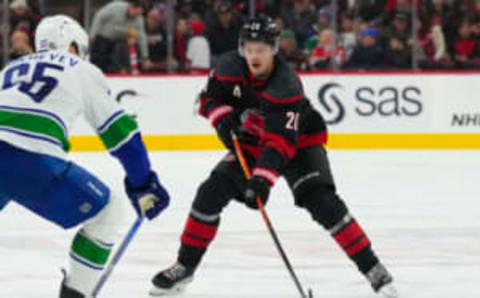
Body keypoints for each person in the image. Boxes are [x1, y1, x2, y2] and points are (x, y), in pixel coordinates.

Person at [148, 15, 398, 298]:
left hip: (300, 143)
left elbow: (280, 143)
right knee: (209, 194)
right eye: (249, 49)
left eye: (261, 50)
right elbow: (207, 100)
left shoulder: (286, 85)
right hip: (254, 143)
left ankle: (374, 269)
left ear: (274, 50)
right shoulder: (229, 66)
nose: (254, 56)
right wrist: (222, 117)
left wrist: (261, 181)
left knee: (322, 203)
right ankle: (184, 266)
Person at [0, 15, 170, 298]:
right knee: (109, 211)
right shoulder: (80, 68)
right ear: (74, 47)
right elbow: (122, 135)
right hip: (29, 157)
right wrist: (143, 182)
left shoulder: (9, 69)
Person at [90, 0, 151, 72]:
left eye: (138, 14)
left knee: (116, 59)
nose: (136, 16)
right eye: (135, 13)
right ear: (131, 6)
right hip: (102, 39)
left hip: (117, 42)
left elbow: (142, 37)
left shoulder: (139, 19)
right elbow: (99, 16)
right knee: (99, 61)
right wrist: (93, 33)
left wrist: (145, 57)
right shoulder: (116, 7)